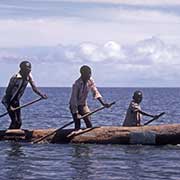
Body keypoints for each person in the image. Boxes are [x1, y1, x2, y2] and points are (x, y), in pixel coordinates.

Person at [2, 60, 47, 129]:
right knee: (15, 121)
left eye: (30, 68)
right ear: (22, 69)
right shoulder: (15, 78)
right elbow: (8, 92)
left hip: (16, 101)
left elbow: (34, 88)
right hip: (8, 101)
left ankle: (14, 136)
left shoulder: (29, 77)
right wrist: (9, 106)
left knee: (19, 122)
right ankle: (8, 136)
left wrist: (41, 95)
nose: (29, 70)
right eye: (27, 69)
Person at [69, 65, 110, 131]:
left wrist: (103, 103)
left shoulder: (90, 81)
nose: (90, 75)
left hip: (83, 105)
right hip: (74, 106)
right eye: (88, 74)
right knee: (77, 124)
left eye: (90, 73)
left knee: (89, 123)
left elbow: (95, 92)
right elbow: (74, 100)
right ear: (83, 74)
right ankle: (76, 136)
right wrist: (76, 113)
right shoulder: (76, 84)